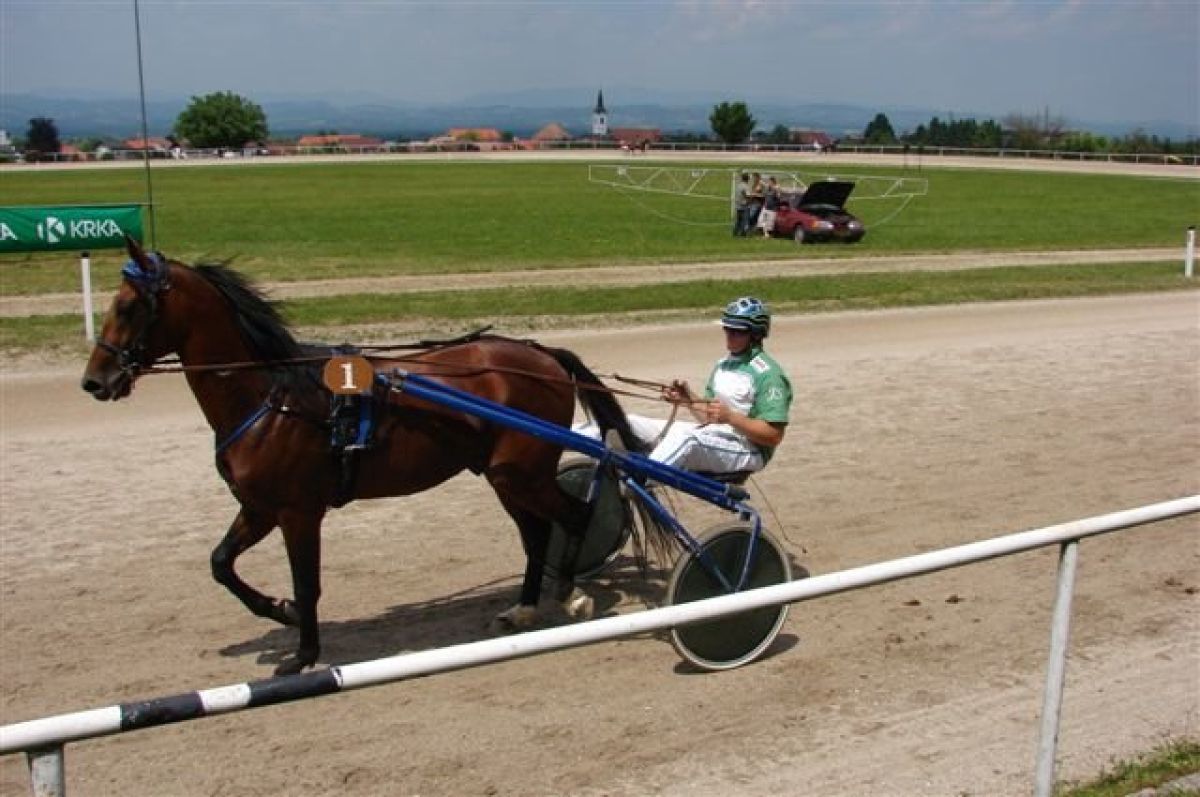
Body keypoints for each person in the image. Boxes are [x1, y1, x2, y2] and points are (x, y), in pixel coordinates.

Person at [576, 297, 792, 475]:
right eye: (727, 329)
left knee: (685, 439)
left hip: (748, 450)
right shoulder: (724, 365)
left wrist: (731, 418)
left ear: (755, 334)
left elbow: (773, 436)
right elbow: (709, 418)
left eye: (737, 331)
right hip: (715, 436)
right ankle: (561, 435)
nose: (729, 334)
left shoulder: (768, 374)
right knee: (628, 423)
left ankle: (640, 479)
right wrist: (687, 400)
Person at [732, 172, 750, 237]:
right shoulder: (746, 186)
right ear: (747, 179)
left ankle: (735, 232)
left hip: (738, 205)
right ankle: (743, 233)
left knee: (738, 220)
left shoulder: (739, 185)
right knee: (745, 221)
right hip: (744, 206)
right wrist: (749, 200)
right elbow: (747, 195)